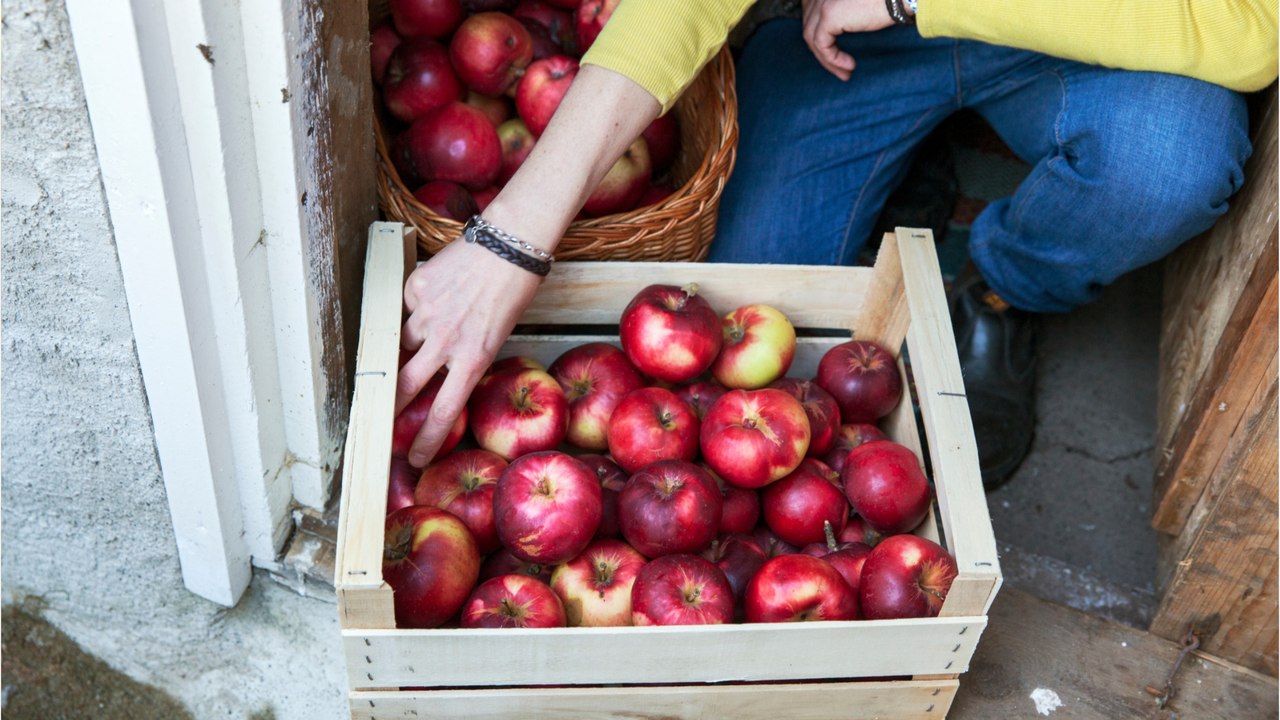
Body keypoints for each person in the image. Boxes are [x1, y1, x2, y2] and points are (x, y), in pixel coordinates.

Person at [395, 0, 1278, 490]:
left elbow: (1256, 30)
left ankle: (1006, 287)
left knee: (1169, 166)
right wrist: (509, 240)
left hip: (1093, 34)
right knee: (749, 301)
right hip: (850, 35)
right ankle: (908, 157)